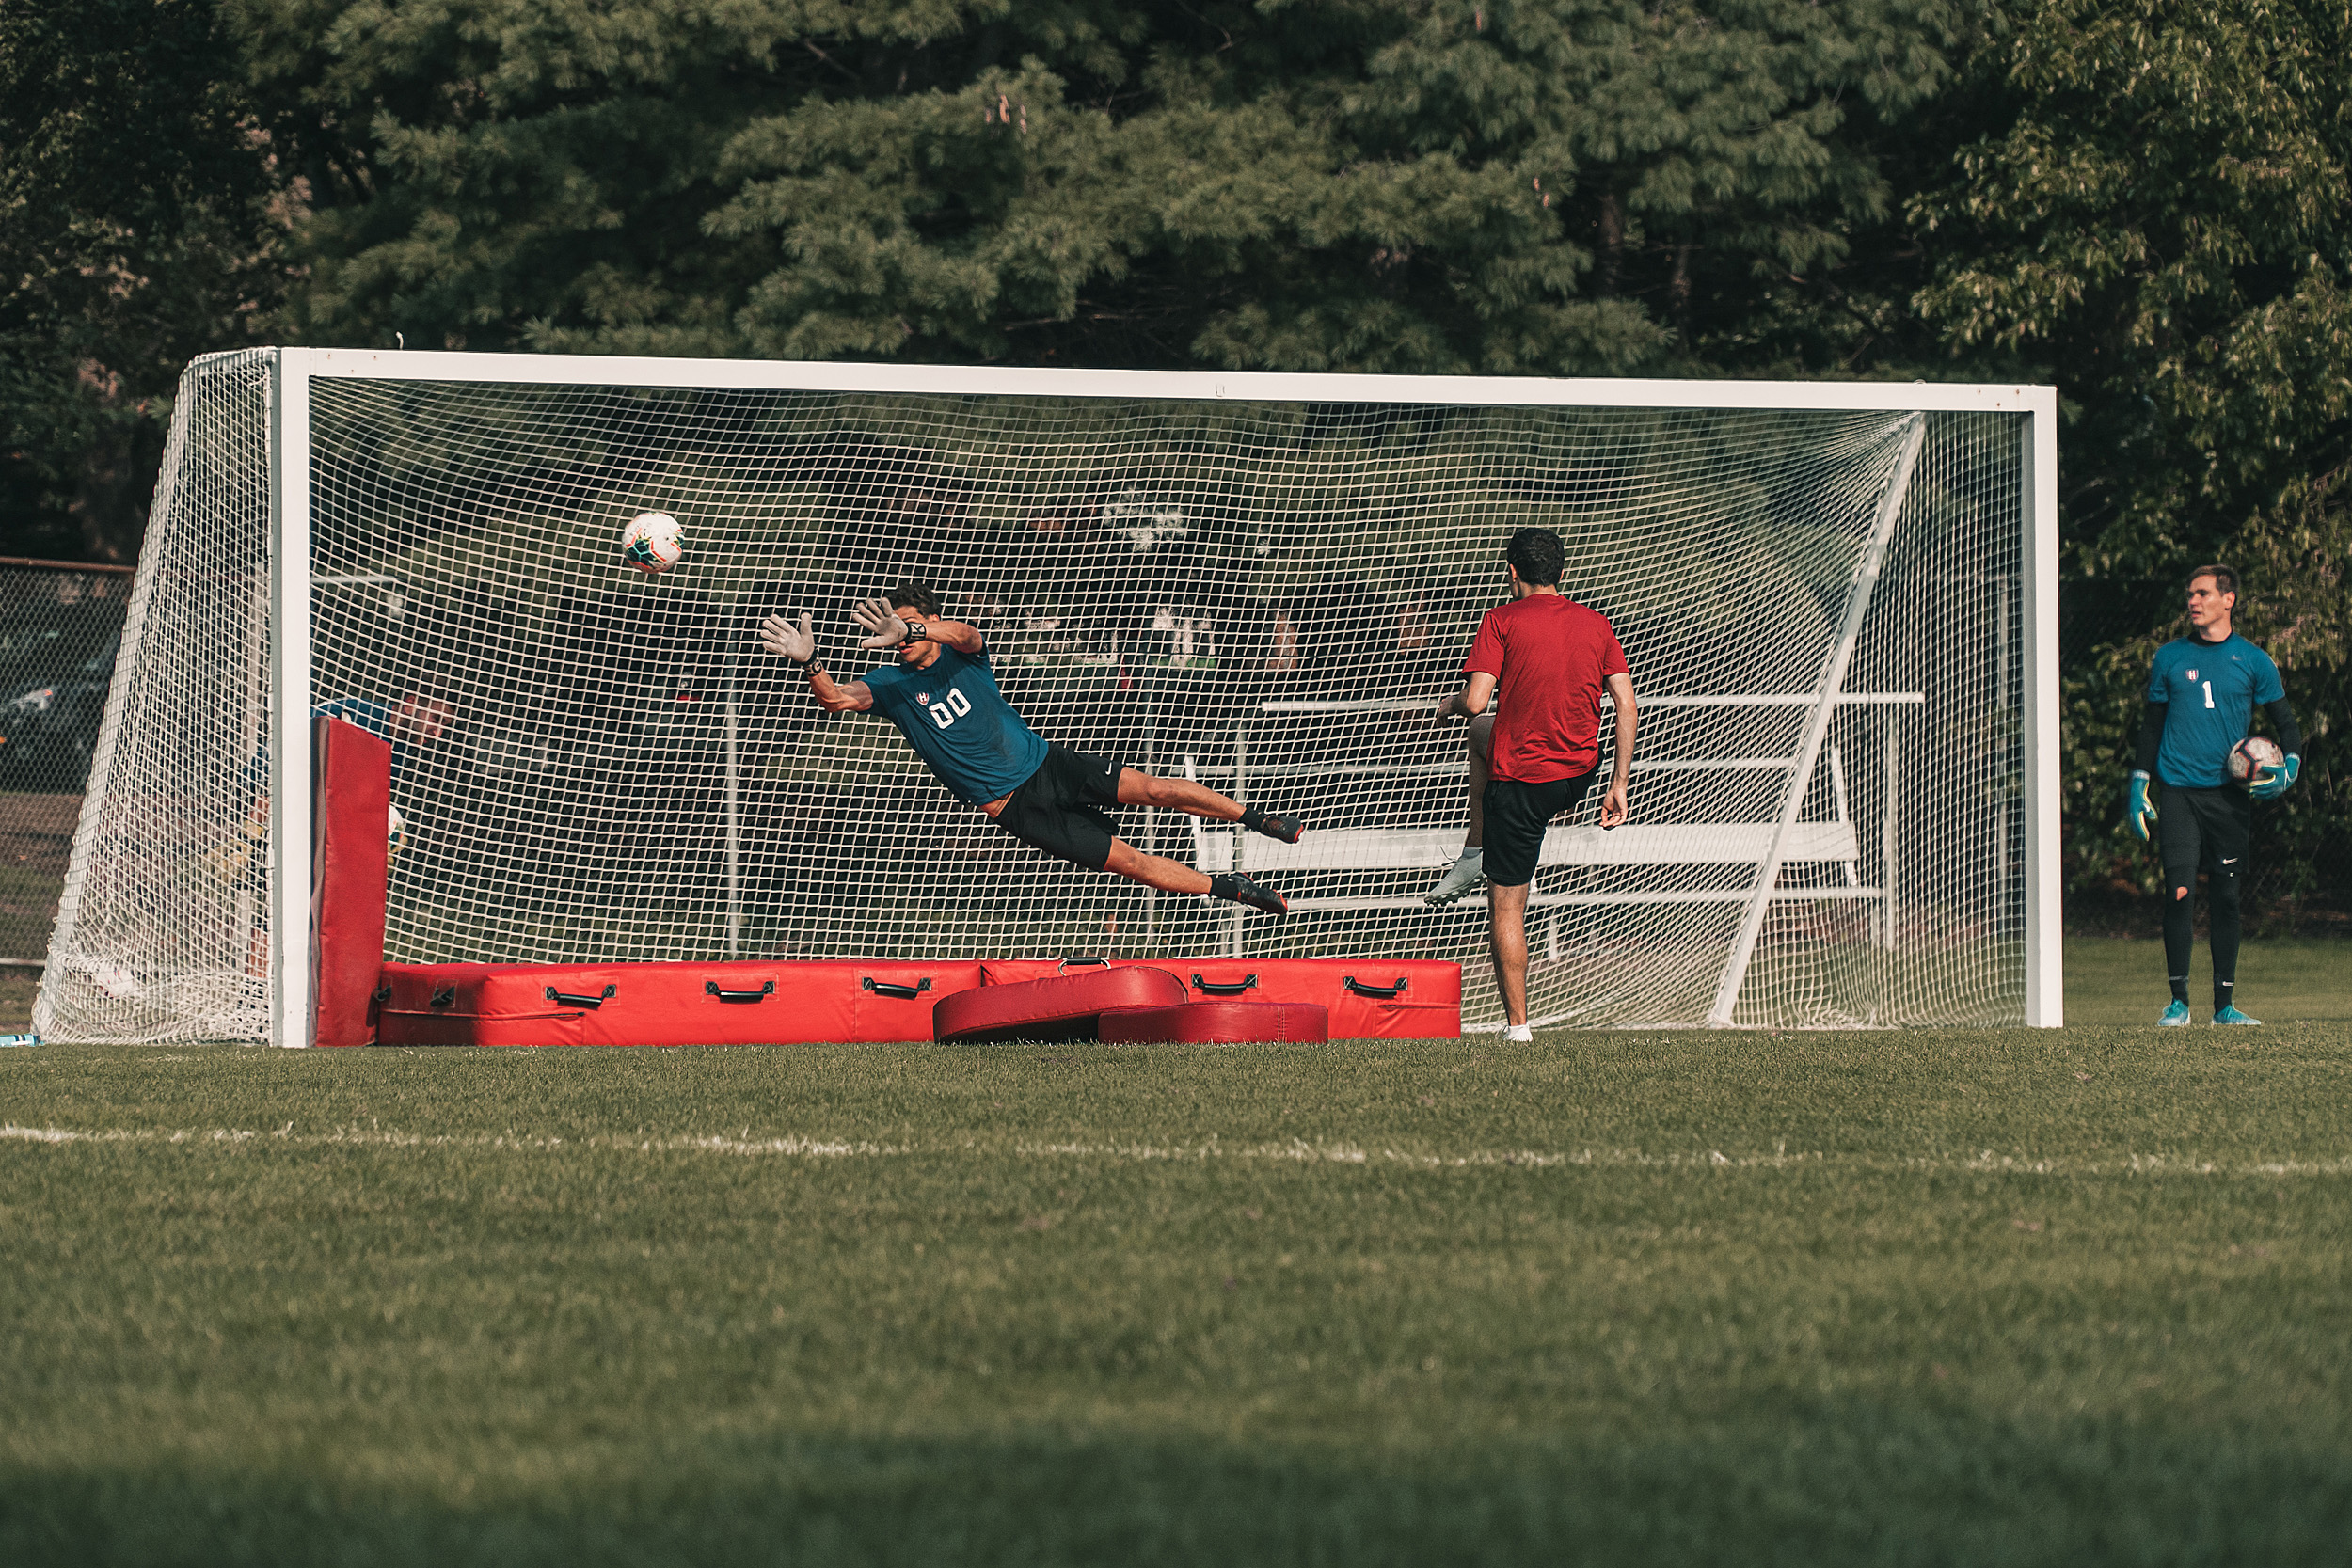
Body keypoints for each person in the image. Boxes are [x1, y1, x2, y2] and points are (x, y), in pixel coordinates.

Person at [760, 583, 1298, 913]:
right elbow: (834, 699)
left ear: (927, 624)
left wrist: (917, 627)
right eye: (891, 628)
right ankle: (1229, 888)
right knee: (1130, 862)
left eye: (907, 628)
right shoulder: (888, 685)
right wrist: (809, 661)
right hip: (1013, 805)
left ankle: (1257, 820)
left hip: (1048, 764)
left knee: (1154, 789)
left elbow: (967, 636)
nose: (897, 637)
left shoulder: (962, 653)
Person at [1424, 529, 1637, 1042]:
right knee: (1482, 737)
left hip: (1522, 782)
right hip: (1579, 777)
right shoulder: (1596, 623)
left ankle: (1518, 1027)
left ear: (1513, 572)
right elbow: (1627, 706)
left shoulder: (1501, 618)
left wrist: (1445, 705)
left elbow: (1475, 702)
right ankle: (1475, 850)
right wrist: (1618, 785)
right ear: (1562, 574)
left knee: (1507, 907)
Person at [2125, 563, 2303, 1025]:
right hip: (2179, 791)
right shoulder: (2168, 657)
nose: (2193, 602)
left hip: (2228, 798)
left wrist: (2291, 769)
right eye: (2189, 594)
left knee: (2226, 898)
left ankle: (2224, 1008)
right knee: (2179, 892)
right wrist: (2139, 781)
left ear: (2229, 600)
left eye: (2202, 593)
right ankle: (2178, 1004)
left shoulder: (2254, 661)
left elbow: (2286, 725)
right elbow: (2152, 725)